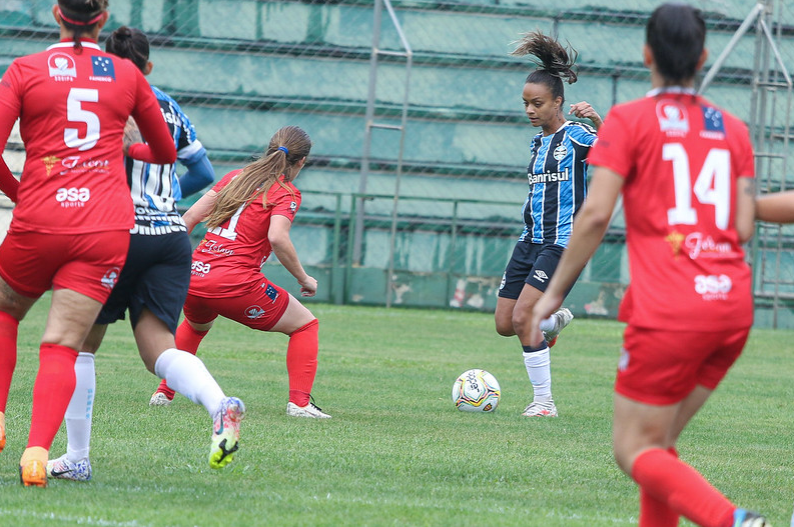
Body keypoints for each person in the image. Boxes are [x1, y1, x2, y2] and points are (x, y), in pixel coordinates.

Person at [531, 4, 768, 526]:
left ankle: (735, 521)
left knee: (633, 449)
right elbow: (745, 225)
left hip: (671, 311)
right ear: (704, 57)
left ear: (645, 55)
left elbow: (594, 215)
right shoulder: (732, 128)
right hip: (731, 308)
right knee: (658, 446)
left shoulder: (630, 120)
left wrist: (552, 294)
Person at [46, 26, 243, 483]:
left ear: (104, 62)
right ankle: (220, 405)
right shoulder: (169, 106)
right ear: (148, 66)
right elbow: (204, 170)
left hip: (116, 232)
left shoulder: (96, 100)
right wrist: (166, 195)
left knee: (79, 344)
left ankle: (77, 457)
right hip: (170, 235)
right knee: (159, 346)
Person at [0, 0, 178, 487]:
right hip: (102, 228)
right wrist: (129, 148)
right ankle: (37, 453)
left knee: (5, 311)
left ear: (57, 14)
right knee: (62, 345)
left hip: (39, 218)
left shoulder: (24, 69)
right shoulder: (126, 75)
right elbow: (164, 152)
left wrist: (21, 193)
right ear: (101, 19)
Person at [149, 125, 330, 419]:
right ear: (301, 162)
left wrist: (174, 264)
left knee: (196, 327)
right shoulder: (286, 192)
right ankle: (299, 404)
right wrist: (303, 278)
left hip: (195, 275)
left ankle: (163, 392)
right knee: (305, 326)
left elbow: (190, 217)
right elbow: (278, 238)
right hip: (234, 283)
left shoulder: (236, 177)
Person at [494, 31, 603, 418]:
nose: (530, 110)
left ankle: (544, 403)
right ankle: (554, 321)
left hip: (561, 243)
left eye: (537, 103)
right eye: (525, 103)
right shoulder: (537, 143)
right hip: (529, 241)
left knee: (525, 318)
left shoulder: (576, 136)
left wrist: (598, 120)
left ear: (559, 102)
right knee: (505, 325)